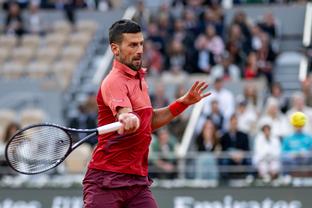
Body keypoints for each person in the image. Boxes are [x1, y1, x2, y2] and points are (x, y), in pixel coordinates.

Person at [82, 19, 210, 208]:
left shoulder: (140, 79)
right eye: (133, 45)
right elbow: (124, 113)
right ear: (115, 49)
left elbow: (148, 122)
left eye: (141, 43)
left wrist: (182, 104)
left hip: (137, 182)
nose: (140, 49)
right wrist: (127, 117)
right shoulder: (113, 82)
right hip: (106, 181)